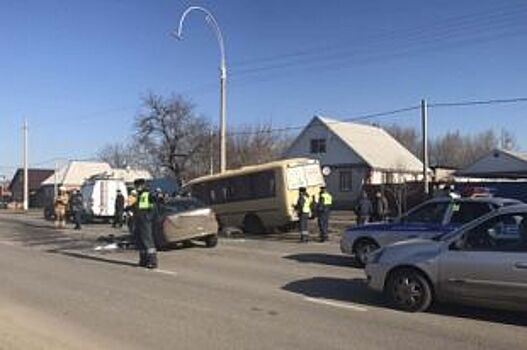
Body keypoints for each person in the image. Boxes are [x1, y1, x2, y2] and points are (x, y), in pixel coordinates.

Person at [133, 179, 158, 269]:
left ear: (142, 185)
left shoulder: (148, 194)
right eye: (135, 186)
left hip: (145, 220)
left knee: (147, 240)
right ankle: (143, 260)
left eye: (137, 186)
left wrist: (148, 217)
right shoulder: (137, 195)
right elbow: (133, 206)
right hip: (138, 219)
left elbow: (153, 206)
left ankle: (152, 261)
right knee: (140, 240)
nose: (136, 188)